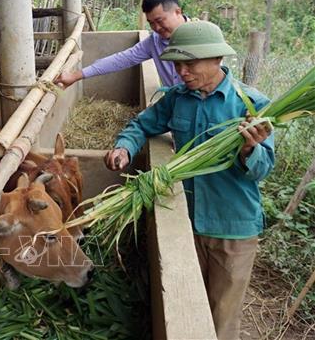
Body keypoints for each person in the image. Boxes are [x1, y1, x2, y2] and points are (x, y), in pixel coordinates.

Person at [105, 21, 275, 340]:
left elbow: (262, 170)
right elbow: (142, 124)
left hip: (232, 229)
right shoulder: (177, 98)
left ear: (217, 60)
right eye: (177, 64)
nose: (181, 72)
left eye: (190, 64)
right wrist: (124, 148)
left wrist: (249, 148)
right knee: (190, 309)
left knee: (222, 318)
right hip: (186, 224)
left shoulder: (252, 106)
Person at [55, 0, 188, 89]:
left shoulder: (203, 38)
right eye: (151, 23)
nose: (157, 27)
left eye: (160, 20)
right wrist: (75, 76)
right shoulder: (154, 41)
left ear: (177, 12)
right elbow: (121, 59)